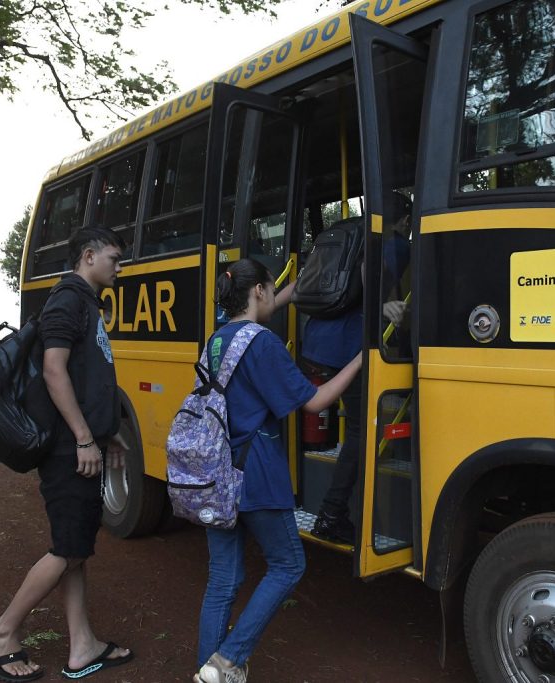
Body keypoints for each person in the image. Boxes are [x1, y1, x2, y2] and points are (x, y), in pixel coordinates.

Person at [0, 227, 133, 682]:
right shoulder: (68, 301)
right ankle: (3, 632)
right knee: (66, 550)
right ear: (88, 256)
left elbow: (87, 378)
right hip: (67, 450)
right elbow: (55, 371)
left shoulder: (86, 302)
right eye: (114, 259)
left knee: (76, 546)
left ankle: (83, 645)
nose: (119, 267)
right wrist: (82, 437)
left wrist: (106, 433)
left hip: (81, 445)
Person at [195, 258, 362, 683]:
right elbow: (315, 401)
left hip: (216, 473)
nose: (276, 296)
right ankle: (230, 659)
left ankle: (208, 672)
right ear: (258, 292)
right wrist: (363, 358)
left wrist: (294, 286)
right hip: (257, 472)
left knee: (222, 581)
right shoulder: (264, 343)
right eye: (273, 289)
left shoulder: (216, 340)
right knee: (288, 565)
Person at [304, 192, 413, 544]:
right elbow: (370, 273)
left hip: (317, 339)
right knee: (359, 431)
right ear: (406, 222)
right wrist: (382, 306)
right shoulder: (395, 242)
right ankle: (332, 514)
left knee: (353, 424)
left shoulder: (349, 232)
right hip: (347, 347)